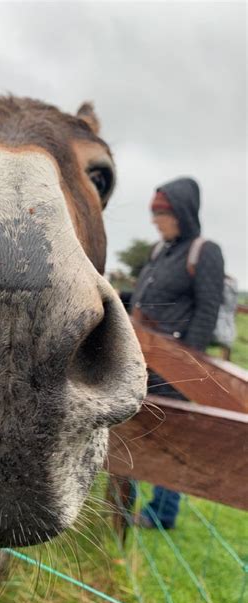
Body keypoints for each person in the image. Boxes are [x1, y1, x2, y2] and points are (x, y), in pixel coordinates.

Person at [130, 176, 225, 529]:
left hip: (175, 366)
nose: (155, 220)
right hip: (144, 358)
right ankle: (126, 496)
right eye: (154, 213)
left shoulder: (205, 251)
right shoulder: (160, 252)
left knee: (171, 438)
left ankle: (162, 512)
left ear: (182, 213)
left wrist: (188, 370)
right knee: (138, 428)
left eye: (162, 214)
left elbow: (207, 311)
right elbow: (142, 298)